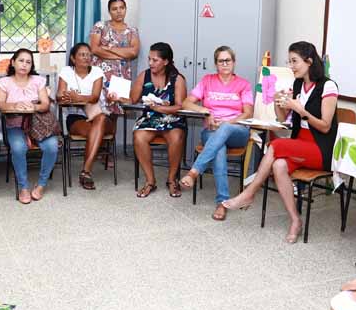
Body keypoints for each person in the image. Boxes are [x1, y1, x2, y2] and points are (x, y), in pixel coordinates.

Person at [217, 41, 338, 243]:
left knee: (276, 145)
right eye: (289, 61)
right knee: (279, 165)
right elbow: (282, 120)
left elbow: (325, 126)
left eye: (294, 61)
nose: (291, 66)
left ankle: (249, 193)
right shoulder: (298, 84)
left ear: (309, 61)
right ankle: (295, 220)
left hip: (321, 148)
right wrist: (277, 102)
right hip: (301, 144)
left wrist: (300, 110)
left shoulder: (328, 86)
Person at [178, 46, 254, 220]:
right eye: (221, 61)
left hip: (237, 131)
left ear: (234, 63)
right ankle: (222, 202)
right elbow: (186, 103)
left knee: (225, 128)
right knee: (218, 149)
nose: (225, 64)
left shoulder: (243, 84)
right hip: (211, 131)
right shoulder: (207, 80)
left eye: (228, 60)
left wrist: (228, 123)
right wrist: (205, 110)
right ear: (216, 64)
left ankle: (194, 172)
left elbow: (248, 112)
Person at [0, 49, 58, 204]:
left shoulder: (38, 80)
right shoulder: (5, 82)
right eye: (21, 60)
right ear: (13, 62)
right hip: (15, 124)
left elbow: (45, 104)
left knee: (52, 147)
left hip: (38, 122)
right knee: (18, 148)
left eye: (28, 62)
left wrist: (32, 107)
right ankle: (23, 187)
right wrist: (15, 105)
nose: (24, 65)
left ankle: (41, 184)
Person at [127, 42, 187, 198]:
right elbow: (133, 99)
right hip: (150, 118)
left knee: (177, 137)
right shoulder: (144, 76)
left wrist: (159, 108)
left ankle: (172, 179)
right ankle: (150, 181)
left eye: (155, 60)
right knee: (138, 137)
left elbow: (180, 106)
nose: (150, 63)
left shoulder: (177, 79)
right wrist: (116, 95)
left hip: (172, 118)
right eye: (149, 59)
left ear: (166, 61)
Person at [57, 43, 113, 190]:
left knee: (100, 121)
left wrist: (76, 97)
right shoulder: (66, 72)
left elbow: (94, 98)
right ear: (73, 58)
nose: (86, 57)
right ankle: (86, 173)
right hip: (75, 116)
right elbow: (60, 96)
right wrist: (69, 97)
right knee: (96, 133)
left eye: (88, 54)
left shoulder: (97, 71)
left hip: (98, 114)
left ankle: (86, 170)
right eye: (82, 54)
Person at [89, 0, 140, 121]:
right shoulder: (100, 26)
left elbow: (134, 52)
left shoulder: (132, 31)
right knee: (99, 111)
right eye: (114, 9)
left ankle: (111, 140)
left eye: (122, 8)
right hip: (101, 75)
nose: (119, 11)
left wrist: (108, 48)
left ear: (125, 9)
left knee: (115, 111)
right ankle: (98, 139)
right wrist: (122, 54)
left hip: (121, 76)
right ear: (109, 11)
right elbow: (95, 49)